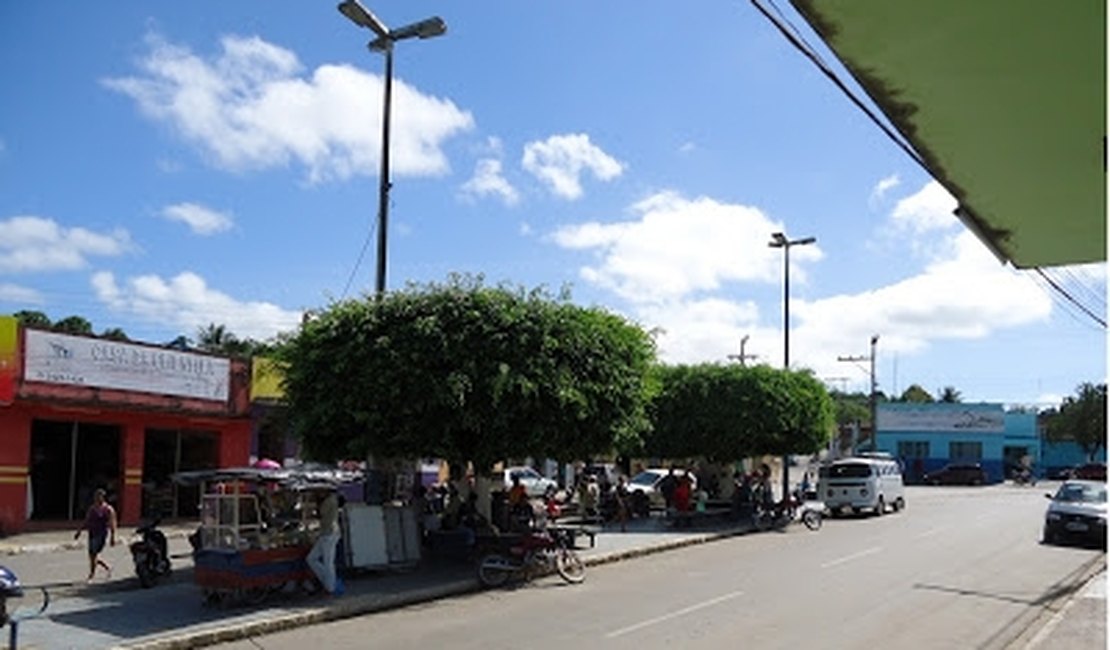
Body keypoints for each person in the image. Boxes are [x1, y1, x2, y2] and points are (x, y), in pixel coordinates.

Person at [74, 488, 117, 583]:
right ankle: (107, 567)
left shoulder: (108, 509)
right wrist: (79, 531)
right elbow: (86, 520)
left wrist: (113, 537)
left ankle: (91, 575)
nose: (97, 498)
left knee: (93, 554)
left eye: (99, 496)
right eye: (96, 496)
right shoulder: (92, 508)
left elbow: (112, 523)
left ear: (103, 497)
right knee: (92, 555)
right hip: (92, 533)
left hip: (101, 534)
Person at [307, 491, 343, 595]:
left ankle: (330, 588)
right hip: (327, 533)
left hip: (329, 534)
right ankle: (328, 582)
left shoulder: (329, 501)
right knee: (312, 559)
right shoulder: (331, 499)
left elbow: (320, 514)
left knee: (328, 562)